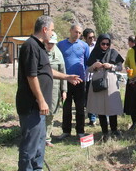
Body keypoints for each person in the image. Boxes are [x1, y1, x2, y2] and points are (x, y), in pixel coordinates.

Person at [16, 15, 82, 170]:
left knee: (39, 144)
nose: (53, 33)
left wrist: (66, 77)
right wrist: (41, 100)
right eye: (52, 30)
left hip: (39, 108)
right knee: (29, 147)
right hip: (32, 106)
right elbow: (31, 76)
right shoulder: (31, 46)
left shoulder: (40, 47)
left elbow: (46, 70)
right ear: (44, 29)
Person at [86, 34, 124, 141]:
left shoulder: (113, 53)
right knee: (100, 108)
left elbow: (120, 67)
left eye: (107, 44)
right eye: (103, 43)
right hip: (98, 82)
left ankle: (115, 130)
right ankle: (105, 132)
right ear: (99, 43)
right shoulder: (94, 53)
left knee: (112, 107)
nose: (105, 46)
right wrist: (94, 66)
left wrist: (111, 66)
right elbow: (88, 69)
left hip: (111, 82)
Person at [57, 23, 90, 139]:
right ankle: (66, 131)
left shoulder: (84, 46)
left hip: (80, 81)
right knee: (66, 107)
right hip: (65, 80)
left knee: (80, 107)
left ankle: (80, 131)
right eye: (76, 32)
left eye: (80, 33)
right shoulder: (60, 45)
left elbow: (87, 62)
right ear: (70, 31)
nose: (78, 34)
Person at [45, 32, 67, 147]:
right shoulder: (39, 52)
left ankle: (47, 138)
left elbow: (63, 72)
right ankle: (38, 137)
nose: (50, 46)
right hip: (41, 87)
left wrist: (64, 90)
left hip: (54, 88)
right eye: (48, 43)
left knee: (51, 113)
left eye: (52, 43)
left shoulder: (58, 54)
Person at [83, 28, 97, 126]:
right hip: (86, 76)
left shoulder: (97, 46)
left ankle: (102, 117)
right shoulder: (82, 46)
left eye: (93, 37)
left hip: (96, 76)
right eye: (89, 37)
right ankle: (92, 119)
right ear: (85, 38)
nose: (92, 39)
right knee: (88, 98)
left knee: (98, 98)